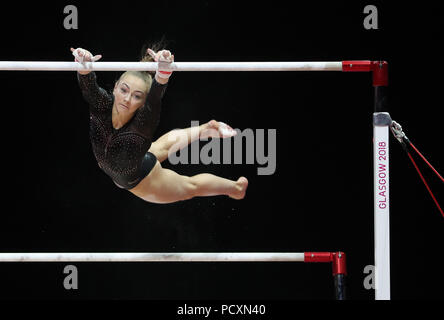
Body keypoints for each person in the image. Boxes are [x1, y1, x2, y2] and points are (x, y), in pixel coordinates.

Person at [71, 46, 248, 204]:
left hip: (144, 180)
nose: (127, 98)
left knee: (190, 186)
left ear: (143, 103)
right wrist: (83, 63)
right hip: (134, 158)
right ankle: (204, 130)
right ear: (115, 86)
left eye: (137, 96)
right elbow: (88, 85)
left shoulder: (143, 122)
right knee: (158, 149)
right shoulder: (102, 105)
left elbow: (155, 95)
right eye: (124, 90)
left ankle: (236, 188)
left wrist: (163, 73)